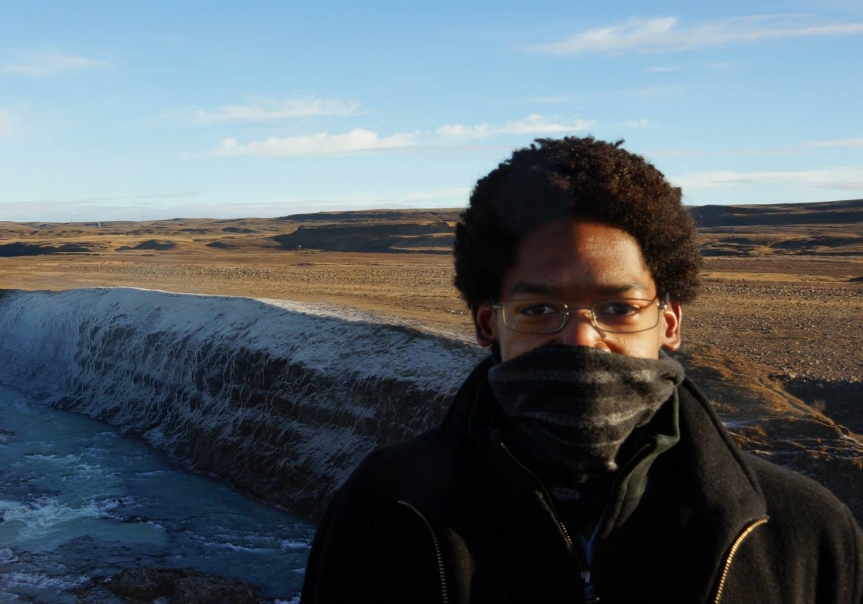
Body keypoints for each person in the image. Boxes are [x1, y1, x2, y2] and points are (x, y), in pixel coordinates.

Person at [301, 137, 862, 604]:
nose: (581, 338)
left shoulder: (802, 529)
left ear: (668, 323)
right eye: (539, 310)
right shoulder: (385, 510)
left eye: (619, 309)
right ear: (486, 324)